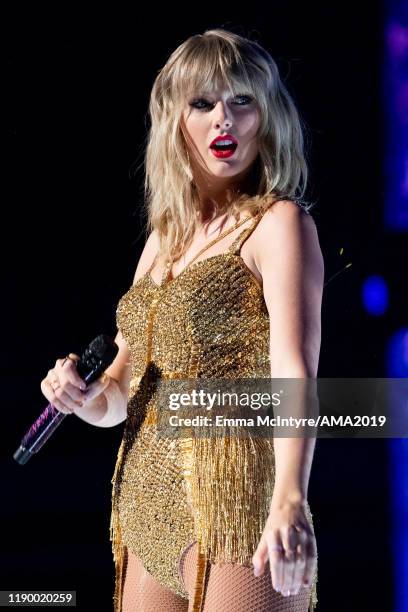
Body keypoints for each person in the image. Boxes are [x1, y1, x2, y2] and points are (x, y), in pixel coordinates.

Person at [41, 28, 324, 612]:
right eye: (204, 103)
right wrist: (79, 396)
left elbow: (295, 373)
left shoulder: (278, 225)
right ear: (176, 120)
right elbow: (122, 393)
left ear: (266, 116)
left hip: (239, 496)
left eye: (242, 100)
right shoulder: (161, 241)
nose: (225, 119)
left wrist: (290, 498)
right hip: (147, 499)